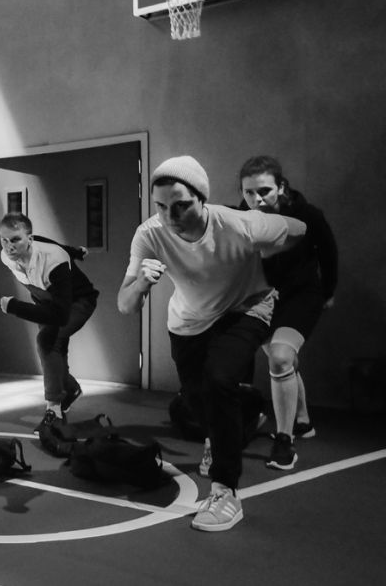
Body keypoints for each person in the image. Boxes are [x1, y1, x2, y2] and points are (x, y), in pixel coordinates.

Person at [117, 156, 306, 532]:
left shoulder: (240, 223)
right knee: (194, 400)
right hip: (189, 320)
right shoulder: (150, 234)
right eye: (161, 206)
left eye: (180, 205)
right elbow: (125, 304)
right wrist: (141, 283)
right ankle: (239, 416)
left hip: (247, 307)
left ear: (202, 199)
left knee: (219, 378)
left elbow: (300, 228)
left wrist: (274, 251)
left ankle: (225, 491)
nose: (170, 216)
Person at [239, 155, 338, 470]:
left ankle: (284, 442)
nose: (257, 199)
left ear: (281, 187)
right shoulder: (242, 216)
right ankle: (303, 421)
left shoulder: (308, 215)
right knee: (282, 361)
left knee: (281, 357)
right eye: (249, 192)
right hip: (265, 298)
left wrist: (328, 292)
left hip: (302, 296)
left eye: (264, 191)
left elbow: (329, 254)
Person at [0, 213, 99, 429]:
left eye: (15, 240)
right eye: (4, 240)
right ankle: (70, 389)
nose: (9, 247)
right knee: (54, 350)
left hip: (77, 302)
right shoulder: (6, 255)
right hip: (46, 300)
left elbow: (60, 315)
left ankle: (54, 410)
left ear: (29, 239)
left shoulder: (54, 261)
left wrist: (15, 306)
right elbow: (44, 240)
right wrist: (74, 251)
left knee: (47, 340)